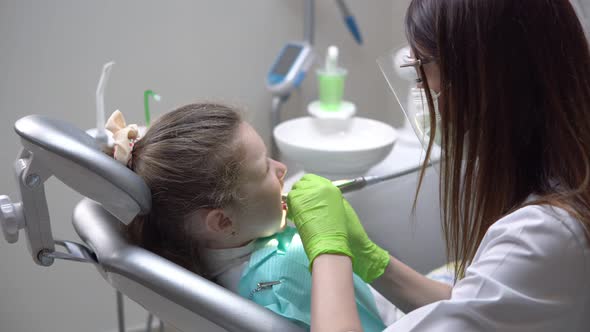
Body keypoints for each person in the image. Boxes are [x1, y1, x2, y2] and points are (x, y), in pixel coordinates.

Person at [286, 0, 590, 331]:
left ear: (488, 74)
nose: (421, 90)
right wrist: (372, 260)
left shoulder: (542, 236)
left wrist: (329, 251)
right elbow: (470, 303)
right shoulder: (563, 180)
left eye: (422, 69)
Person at [103, 103, 402, 331]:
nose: (281, 169)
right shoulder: (279, 282)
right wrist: (330, 246)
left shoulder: (216, 257)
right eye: (264, 170)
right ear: (222, 222)